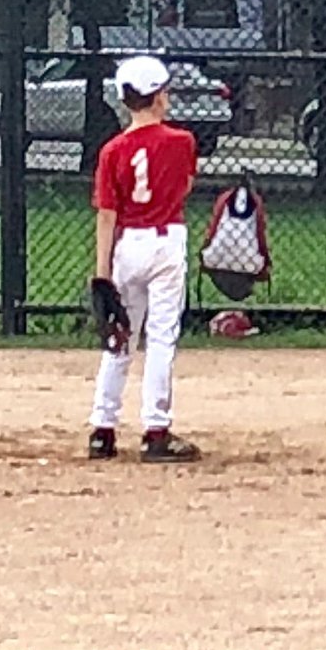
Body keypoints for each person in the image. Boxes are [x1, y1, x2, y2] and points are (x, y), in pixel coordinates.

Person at [87, 55, 201, 463]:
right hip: (166, 241)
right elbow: (184, 186)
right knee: (161, 337)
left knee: (120, 336)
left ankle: (102, 430)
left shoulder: (112, 150)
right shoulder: (182, 141)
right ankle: (156, 431)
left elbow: (107, 215)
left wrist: (102, 274)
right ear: (157, 97)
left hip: (127, 246)